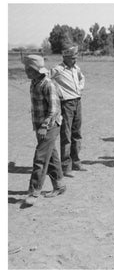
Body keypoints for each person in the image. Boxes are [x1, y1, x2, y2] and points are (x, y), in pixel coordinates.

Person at [22, 55, 67, 206]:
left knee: (40, 159)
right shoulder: (34, 82)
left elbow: (54, 110)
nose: (25, 71)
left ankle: (34, 193)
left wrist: (44, 126)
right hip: (40, 125)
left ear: (33, 69)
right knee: (51, 155)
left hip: (49, 125)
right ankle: (59, 185)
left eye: (27, 68)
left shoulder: (47, 84)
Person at [50, 45, 86, 178]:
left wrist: (80, 88)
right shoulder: (57, 69)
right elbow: (47, 80)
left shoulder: (76, 68)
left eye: (75, 57)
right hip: (66, 104)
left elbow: (82, 78)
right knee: (66, 135)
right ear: (65, 57)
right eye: (72, 58)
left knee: (77, 134)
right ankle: (66, 167)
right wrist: (58, 92)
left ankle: (76, 162)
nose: (75, 60)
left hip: (77, 102)